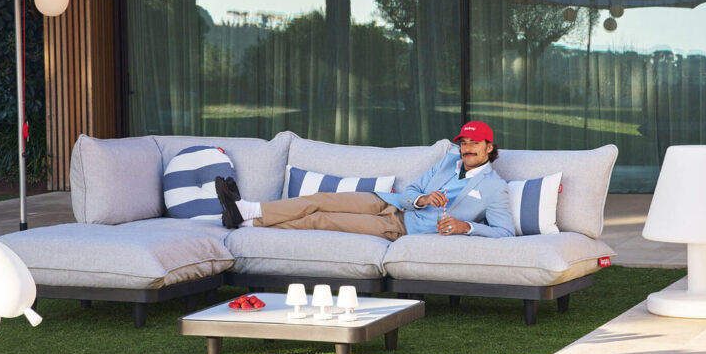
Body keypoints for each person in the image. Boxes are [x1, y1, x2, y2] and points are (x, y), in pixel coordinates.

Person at [215, 121, 514, 241]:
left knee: (321, 220)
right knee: (320, 199)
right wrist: (421, 199)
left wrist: (467, 227)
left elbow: (505, 232)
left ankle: (245, 222)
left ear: (489, 147)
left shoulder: (493, 186)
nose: (467, 148)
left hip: (400, 227)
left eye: (475, 143)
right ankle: (247, 209)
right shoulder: (449, 159)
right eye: (464, 142)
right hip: (388, 201)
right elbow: (412, 190)